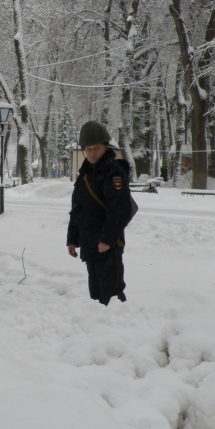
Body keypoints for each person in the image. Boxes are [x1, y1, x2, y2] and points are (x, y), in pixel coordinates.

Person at [67, 121, 133, 306]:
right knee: (96, 297)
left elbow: (120, 210)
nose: (92, 152)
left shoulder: (113, 173)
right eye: (88, 149)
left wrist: (106, 239)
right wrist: (72, 239)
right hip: (89, 244)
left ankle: (121, 330)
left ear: (105, 147)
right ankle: (100, 331)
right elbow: (77, 209)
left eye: (96, 148)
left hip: (107, 246)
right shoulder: (86, 174)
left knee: (113, 295)